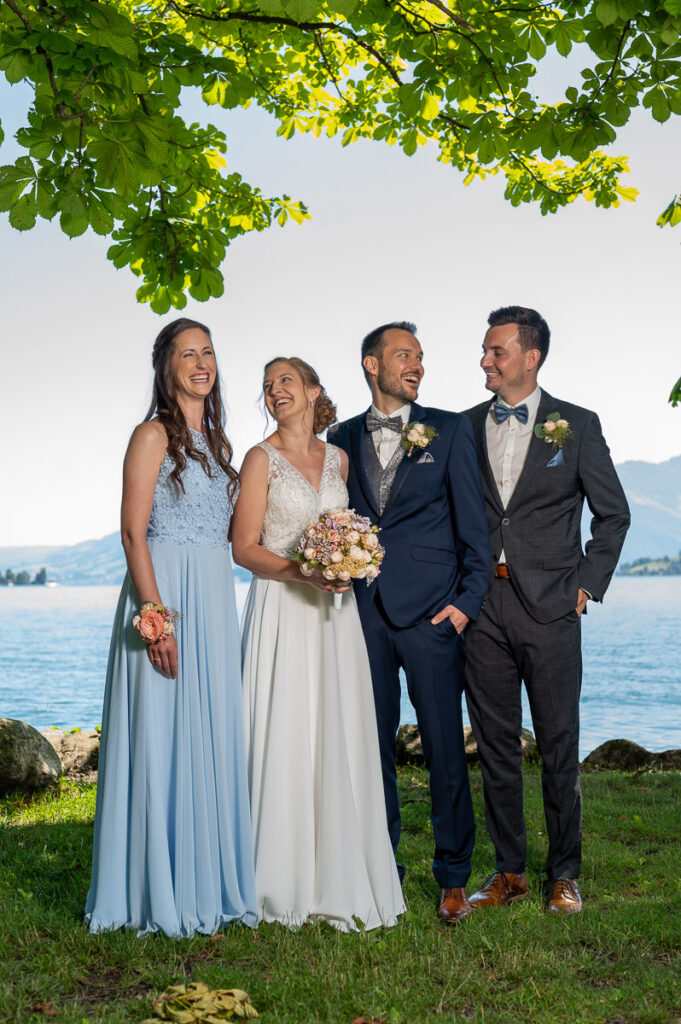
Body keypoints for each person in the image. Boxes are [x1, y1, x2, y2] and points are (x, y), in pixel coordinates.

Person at [85, 317, 257, 937]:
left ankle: (207, 877)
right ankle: (153, 884)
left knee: (208, 730)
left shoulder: (222, 444)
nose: (201, 363)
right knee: (161, 735)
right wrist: (155, 620)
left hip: (213, 596)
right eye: (188, 353)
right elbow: (134, 532)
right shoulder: (151, 434)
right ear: (167, 368)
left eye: (208, 351)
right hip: (166, 595)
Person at [463, 305, 630, 915]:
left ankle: (565, 873)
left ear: (529, 358)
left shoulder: (577, 426)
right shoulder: (462, 426)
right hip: (482, 607)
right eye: (485, 350)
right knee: (495, 744)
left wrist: (586, 585)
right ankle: (509, 871)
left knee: (559, 743)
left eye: (496, 351)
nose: (484, 360)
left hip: (553, 606)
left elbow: (614, 514)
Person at [232, 356, 405, 931]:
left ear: (312, 391)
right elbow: (244, 548)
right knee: (286, 728)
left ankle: (340, 869)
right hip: (284, 609)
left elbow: (348, 527)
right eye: (267, 386)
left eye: (285, 380)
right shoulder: (260, 460)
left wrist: (351, 557)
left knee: (337, 731)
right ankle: (276, 880)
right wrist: (304, 572)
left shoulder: (339, 458)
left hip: (335, 615)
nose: (274, 391)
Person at [328, 323, 490, 924]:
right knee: (370, 749)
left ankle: (452, 877)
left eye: (420, 357)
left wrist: (466, 603)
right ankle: (380, 867)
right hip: (362, 614)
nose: (416, 365)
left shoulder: (449, 428)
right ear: (371, 364)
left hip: (433, 614)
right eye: (403, 356)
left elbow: (474, 525)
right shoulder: (339, 437)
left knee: (446, 745)